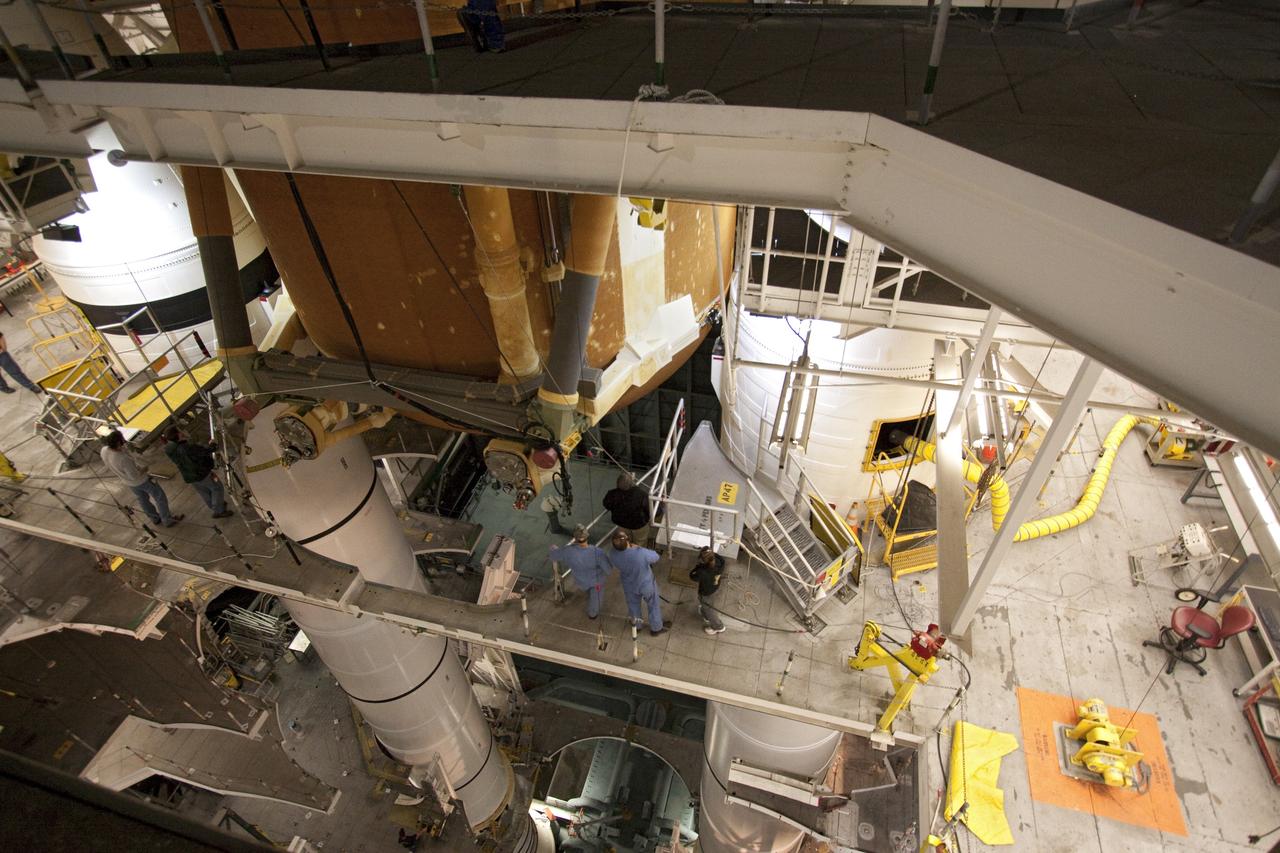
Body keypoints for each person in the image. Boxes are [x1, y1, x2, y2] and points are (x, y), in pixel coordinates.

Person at [100, 430, 182, 527]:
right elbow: (134, 475)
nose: (124, 443)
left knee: (143, 499)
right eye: (122, 441)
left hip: (128, 482)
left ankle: (154, 518)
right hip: (141, 481)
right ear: (118, 443)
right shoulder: (122, 459)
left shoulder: (104, 450)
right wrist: (144, 469)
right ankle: (167, 519)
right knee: (160, 496)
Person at [163, 427, 232, 520]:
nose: (182, 431)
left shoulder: (168, 448)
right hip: (202, 473)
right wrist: (212, 445)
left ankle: (215, 505)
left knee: (204, 492)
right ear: (178, 435)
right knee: (216, 488)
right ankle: (219, 510)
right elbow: (205, 451)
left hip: (189, 476)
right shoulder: (188, 448)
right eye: (180, 431)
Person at [606, 530, 666, 636]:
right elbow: (655, 557)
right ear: (628, 541)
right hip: (646, 584)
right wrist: (638, 547)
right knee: (653, 604)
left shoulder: (612, 553)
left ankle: (637, 626)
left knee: (633, 605)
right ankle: (656, 628)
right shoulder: (640, 553)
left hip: (629, 585)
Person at [549, 525, 612, 619]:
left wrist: (553, 548)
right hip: (596, 583)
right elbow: (608, 570)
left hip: (581, 582)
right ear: (587, 536)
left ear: (575, 538)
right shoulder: (598, 552)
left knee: (589, 591)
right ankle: (592, 614)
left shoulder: (568, 551)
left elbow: (554, 555)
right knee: (595, 598)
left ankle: (590, 600)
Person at [602, 472, 651, 547]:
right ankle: (638, 555)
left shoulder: (612, 494)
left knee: (625, 542)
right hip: (639, 525)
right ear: (632, 483)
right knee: (640, 543)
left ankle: (627, 553)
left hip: (621, 524)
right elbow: (652, 511)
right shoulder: (641, 494)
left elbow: (606, 504)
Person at [690, 546, 726, 635]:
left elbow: (692, 576)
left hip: (706, 591)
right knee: (706, 605)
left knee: (709, 609)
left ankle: (718, 627)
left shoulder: (703, 571)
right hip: (714, 586)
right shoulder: (720, 561)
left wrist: (697, 567)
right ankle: (705, 614)